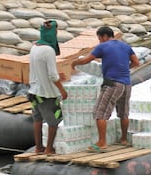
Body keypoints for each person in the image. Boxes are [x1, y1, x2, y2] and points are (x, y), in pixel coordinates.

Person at [71, 26, 139, 150]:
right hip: (126, 83)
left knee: (100, 113)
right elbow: (136, 62)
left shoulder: (103, 46)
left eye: (99, 39)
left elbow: (86, 60)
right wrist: (123, 69)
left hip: (112, 83)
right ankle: (124, 139)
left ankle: (102, 143)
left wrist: (74, 63)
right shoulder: (125, 46)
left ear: (104, 36)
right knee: (123, 113)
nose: (99, 41)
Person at [27, 20, 68, 155]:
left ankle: (38, 147)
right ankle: (49, 149)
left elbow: (40, 69)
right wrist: (62, 90)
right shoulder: (49, 50)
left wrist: (56, 75)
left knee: (37, 119)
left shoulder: (34, 47)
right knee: (53, 121)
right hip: (46, 93)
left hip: (34, 91)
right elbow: (52, 76)